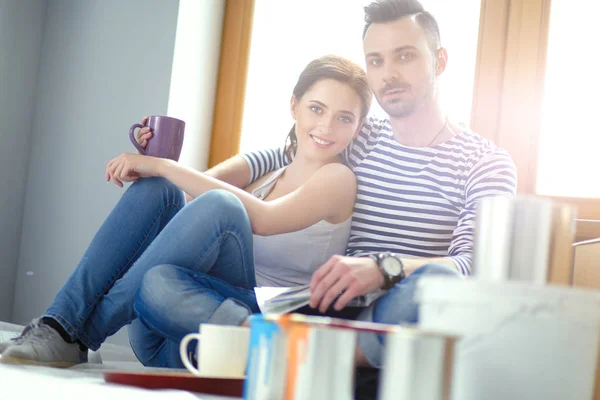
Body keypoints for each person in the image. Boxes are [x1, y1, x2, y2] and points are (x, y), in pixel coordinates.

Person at [135, 0, 518, 369]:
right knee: (158, 284)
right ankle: (303, 354)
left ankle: (274, 354)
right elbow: (287, 152)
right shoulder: (361, 134)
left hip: (390, 314)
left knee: (436, 282)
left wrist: (383, 268)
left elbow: (471, 268)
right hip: (311, 309)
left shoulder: (485, 163)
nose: (389, 73)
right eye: (376, 60)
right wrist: (194, 179)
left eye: (405, 56)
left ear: (439, 60)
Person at [0, 55, 372, 368]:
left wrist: (162, 164)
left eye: (344, 117)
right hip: (168, 326)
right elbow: (188, 199)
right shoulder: (272, 165)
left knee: (196, 234)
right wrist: (152, 161)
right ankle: (60, 324)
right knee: (159, 190)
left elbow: (265, 218)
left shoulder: (338, 179)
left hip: (237, 323)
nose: (326, 126)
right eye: (316, 108)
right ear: (294, 106)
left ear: (358, 127)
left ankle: (74, 332)